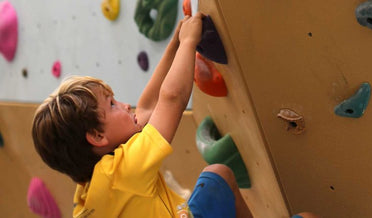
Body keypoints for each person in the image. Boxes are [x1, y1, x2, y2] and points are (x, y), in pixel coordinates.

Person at [32, 12, 252, 218]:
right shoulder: (123, 173)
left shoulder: (92, 185)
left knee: (218, 175)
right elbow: (172, 99)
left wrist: (175, 44)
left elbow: (147, 107)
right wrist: (188, 42)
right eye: (112, 104)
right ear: (98, 136)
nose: (127, 105)